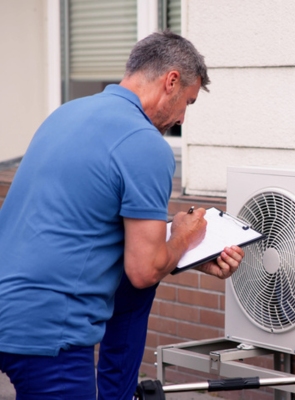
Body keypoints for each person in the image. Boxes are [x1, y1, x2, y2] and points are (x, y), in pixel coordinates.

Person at [0, 31, 244, 399]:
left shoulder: (67, 114)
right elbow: (143, 270)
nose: (180, 119)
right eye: (188, 103)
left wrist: (189, 253)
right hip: (49, 332)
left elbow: (87, 224)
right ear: (171, 81)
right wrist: (184, 235)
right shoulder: (144, 143)